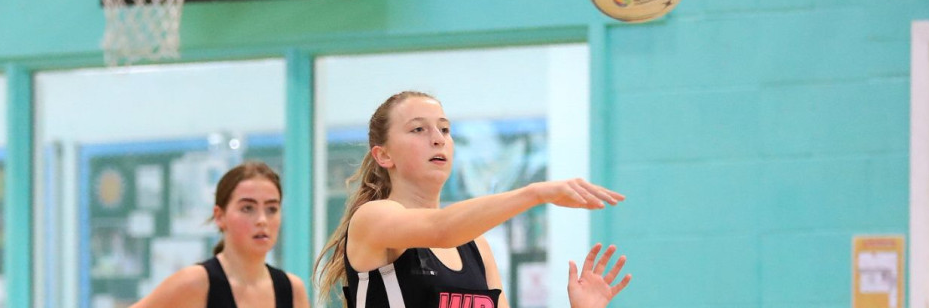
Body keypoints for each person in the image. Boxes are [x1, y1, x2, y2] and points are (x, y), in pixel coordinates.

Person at [314, 91, 632, 308]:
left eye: (445, 129)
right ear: (383, 155)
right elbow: (440, 230)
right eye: (418, 130)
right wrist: (536, 192)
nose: (438, 138)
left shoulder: (476, 247)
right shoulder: (374, 219)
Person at [132, 161, 311, 308]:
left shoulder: (292, 289)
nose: (262, 220)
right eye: (248, 208)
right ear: (220, 216)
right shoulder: (195, 282)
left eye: (272, 209)